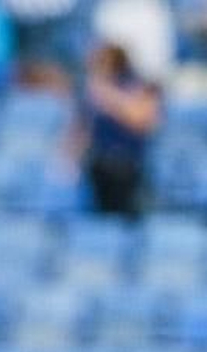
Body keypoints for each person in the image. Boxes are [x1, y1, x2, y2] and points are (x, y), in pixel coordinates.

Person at [79, 41, 163, 219]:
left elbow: (143, 120)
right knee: (100, 221)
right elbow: (84, 127)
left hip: (128, 164)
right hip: (100, 163)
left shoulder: (137, 84)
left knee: (128, 217)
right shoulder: (94, 90)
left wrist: (108, 96)